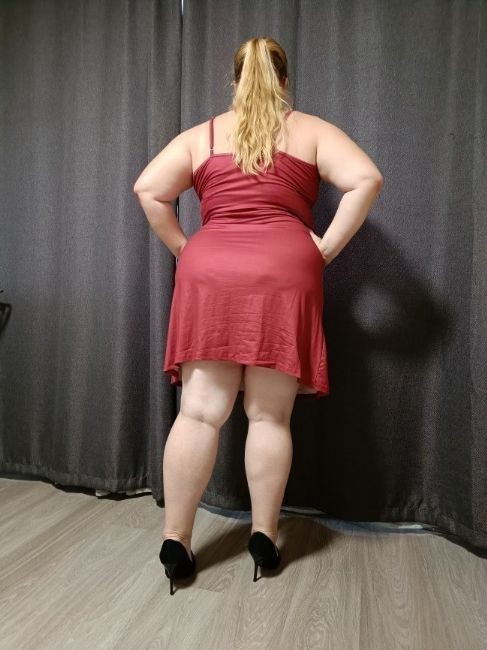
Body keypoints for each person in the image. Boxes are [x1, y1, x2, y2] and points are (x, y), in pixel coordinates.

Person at [133, 36, 384, 595]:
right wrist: (323, 249)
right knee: (269, 417)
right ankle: (265, 536)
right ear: (284, 81)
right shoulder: (311, 130)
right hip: (284, 270)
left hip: (210, 271)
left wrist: (185, 248)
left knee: (199, 413)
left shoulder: (203, 135)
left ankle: (176, 538)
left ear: (235, 80)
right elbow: (367, 178)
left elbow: (148, 188)